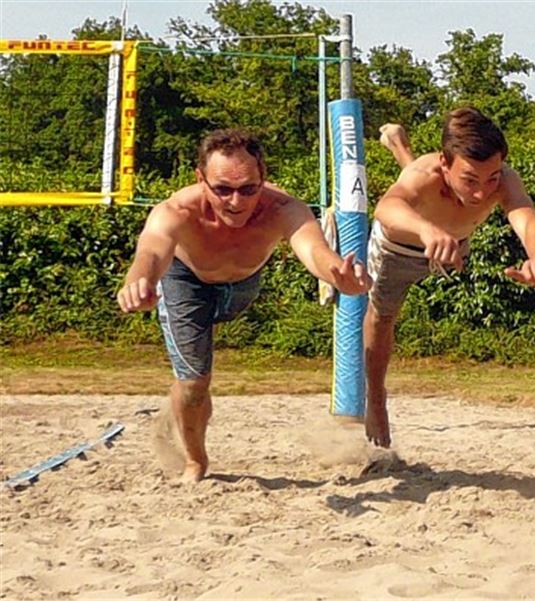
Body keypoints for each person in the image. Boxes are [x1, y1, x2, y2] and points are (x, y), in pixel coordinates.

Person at [116, 128, 372, 484]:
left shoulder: (283, 208)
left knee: (193, 382)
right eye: (222, 189)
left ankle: (184, 405)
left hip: (242, 285)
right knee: (194, 381)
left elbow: (314, 249)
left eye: (248, 189)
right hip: (186, 281)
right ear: (200, 179)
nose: (235, 202)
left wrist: (338, 275)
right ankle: (194, 460)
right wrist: (138, 281)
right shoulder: (176, 210)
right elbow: (152, 250)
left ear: (263, 179)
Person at [364, 107, 535, 448]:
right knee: (383, 315)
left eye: (491, 179)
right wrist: (425, 230)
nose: (481, 193)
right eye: (469, 180)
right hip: (399, 247)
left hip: (454, 244)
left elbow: (526, 218)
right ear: (444, 163)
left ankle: (398, 144)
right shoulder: (424, 174)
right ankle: (376, 397)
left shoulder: (505, 178)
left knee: (450, 201)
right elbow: (386, 207)